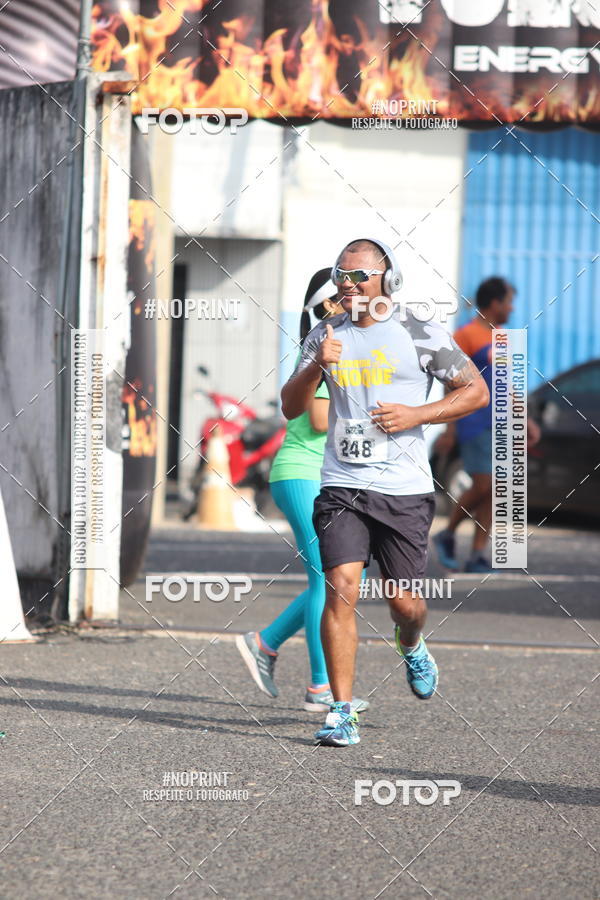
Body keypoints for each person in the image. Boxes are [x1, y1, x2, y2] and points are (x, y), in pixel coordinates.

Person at [281, 238, 490, 747]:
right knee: (341, 587)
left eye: (359, 276)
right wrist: (314, 366)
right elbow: (290, 406)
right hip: (342, 484)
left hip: (404, 489)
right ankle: (341, 712)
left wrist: (418, 414)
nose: (348, 285)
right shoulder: (325, 333)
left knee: (404, 604)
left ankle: (412, 643)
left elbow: (475, 391)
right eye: (341, 275)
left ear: (387, 280)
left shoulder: (420, 331)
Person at [236, 269, 367, 714]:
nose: (355, 297)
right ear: (327, 307)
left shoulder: (335, 349)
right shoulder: (323, 353)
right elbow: (317, 420)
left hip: (315, 475)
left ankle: (266, 642)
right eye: (344, 293)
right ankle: (319, 687)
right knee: (328, 583)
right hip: (302, 473)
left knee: (333, 581)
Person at [432, 277, 540, 572]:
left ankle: (478, 554)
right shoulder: (465, 335)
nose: (512, 308)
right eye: (509, 302)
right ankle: (447, 533)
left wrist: (525, 419)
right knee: (485, 484)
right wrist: (449, 428)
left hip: (499, 422)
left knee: (497, 489)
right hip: (473, 422)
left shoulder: (501, 336)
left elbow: (506, 384)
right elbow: (449, 383)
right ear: (494, 303)